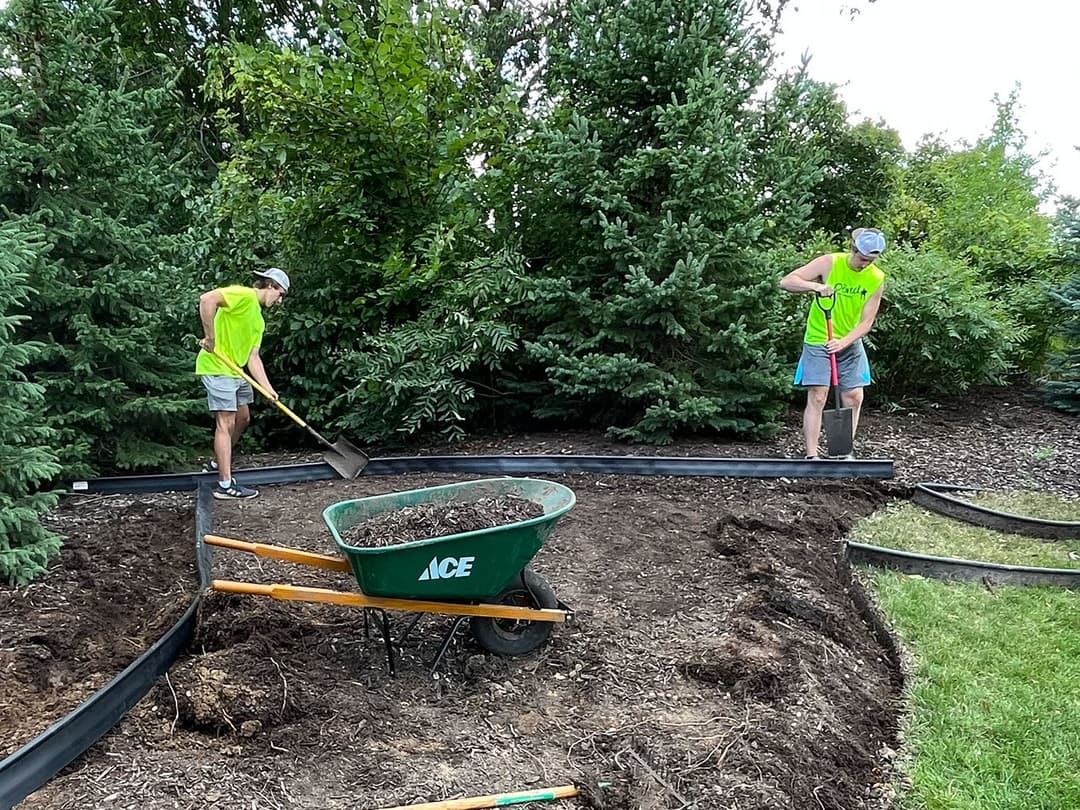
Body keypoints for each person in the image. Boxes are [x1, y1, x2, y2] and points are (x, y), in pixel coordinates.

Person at [779, 228, 886, 459]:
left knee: (854, 397)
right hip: (819, 338)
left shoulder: (876, 278)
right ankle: (811, 455)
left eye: (870, 261)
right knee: (818, 394)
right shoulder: (830, 262)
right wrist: (816, 287)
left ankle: (843, 451)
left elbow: (867, 322)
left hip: (848, 342)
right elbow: (787, 281)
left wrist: (844, 342)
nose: (864, 264)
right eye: (862, 258)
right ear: (853, 249)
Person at [195, 268, 290, 499]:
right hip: (217, 367)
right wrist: (210, 338)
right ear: (271, 286)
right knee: (225, 422)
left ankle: (219, 462)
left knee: (243, 418)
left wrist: (268, 389)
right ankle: (225, 485)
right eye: (281, 295)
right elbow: (207, 299)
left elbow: (253, 357)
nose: (279, 302)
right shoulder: (243, 295)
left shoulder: (258, 320)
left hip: (236, 370)